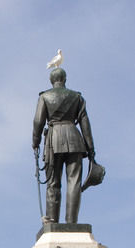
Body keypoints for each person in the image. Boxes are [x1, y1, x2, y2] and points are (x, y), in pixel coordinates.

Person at [32, 67, 95, 225]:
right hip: (75, 139)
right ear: (64, 79)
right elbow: (85, 124)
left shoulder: (44, 97)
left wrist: (35, 142)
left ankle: (52, 221)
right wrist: (91, 149)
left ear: (51, 81)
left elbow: (38, 122)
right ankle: (71, 222)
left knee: (53, 182)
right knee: (74, 182)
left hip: (53, 141)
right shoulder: (77, 97)